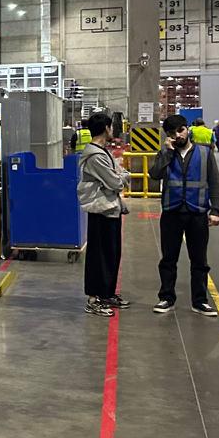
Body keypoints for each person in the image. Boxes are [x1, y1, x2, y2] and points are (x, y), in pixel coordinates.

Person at [148, 114, 219, 317]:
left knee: (199, 260)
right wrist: (166, 152)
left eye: (180, 130)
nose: (178, 136)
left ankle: (200, 301)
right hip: (171, 212)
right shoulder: (165, 153)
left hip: (197, 212)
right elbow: (154, 174)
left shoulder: (205, 153)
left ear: (187, 128)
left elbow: (214, 182)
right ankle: (166, 297)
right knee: (168, 259)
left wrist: (215, 210)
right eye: (172, 133)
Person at [76, 112, 131, 317]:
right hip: (100, 210)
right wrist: (121, 177)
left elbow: (120, 173)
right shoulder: (95, 156)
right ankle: (93, 299)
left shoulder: (103, 152)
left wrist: (120, 176)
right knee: (98, 256)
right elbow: (116, 181)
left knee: (111, 254)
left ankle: (107, 293)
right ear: (106, 128)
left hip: (111, 209)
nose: (113, 130)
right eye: (111, 127)